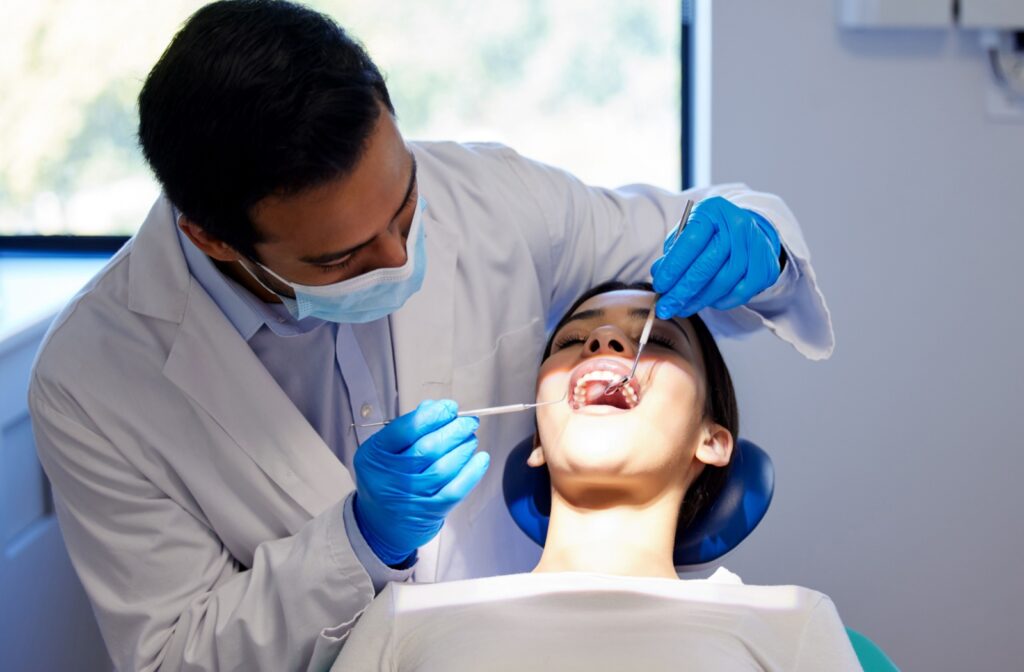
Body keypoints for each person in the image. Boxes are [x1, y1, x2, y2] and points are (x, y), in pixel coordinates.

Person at [27, 1, 834, 670]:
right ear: (212, 238)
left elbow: (703, 223)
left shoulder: (791, 629)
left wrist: (756, 243)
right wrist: (357, 539)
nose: (401, 256)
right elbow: (176, 659)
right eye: (342, 256)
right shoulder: (94, 381)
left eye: (406, 206)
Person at [329, 283, 858, 671]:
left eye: (661, 341)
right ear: (538, 442)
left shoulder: (790, 622)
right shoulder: (405, 620)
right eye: (572, 340)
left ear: (712, 440)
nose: (603, 340)